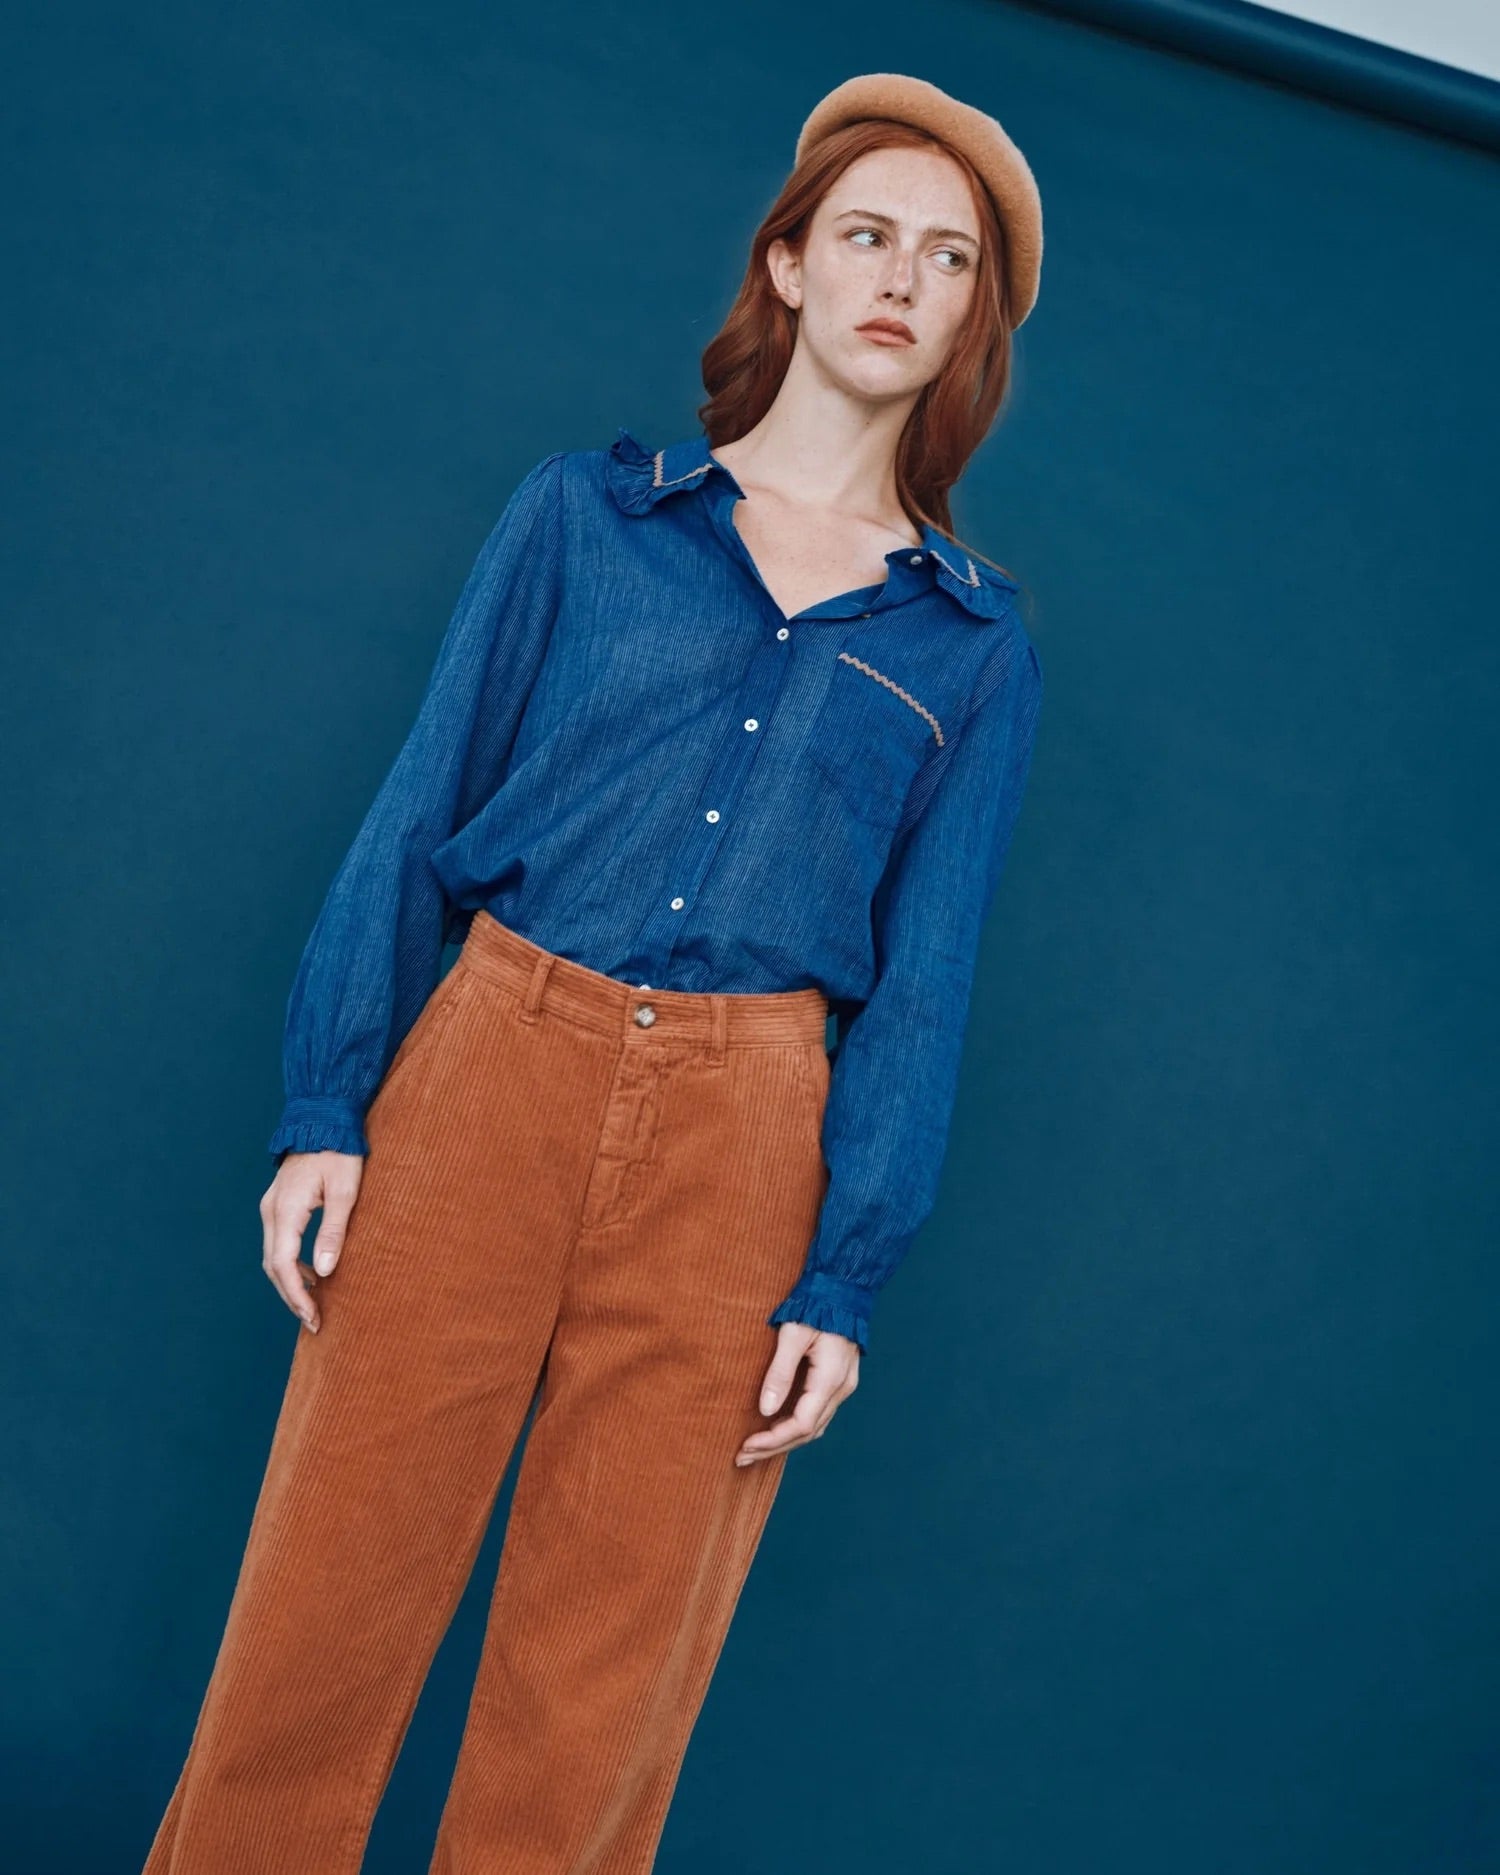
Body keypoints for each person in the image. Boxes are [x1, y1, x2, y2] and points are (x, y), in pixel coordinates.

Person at [142, 70, 1046, 1875]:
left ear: (969, 323)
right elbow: (424, 805)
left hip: (747, 1138)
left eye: (947, 261)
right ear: (788, 263)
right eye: (868, 235)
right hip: (493, 1061)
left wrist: (846, 1272)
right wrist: (328, 1100)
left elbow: (925, 982)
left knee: (600, 1689)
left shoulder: (972, 644)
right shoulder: (584, 518)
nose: (900, 279)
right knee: (322, 1615)